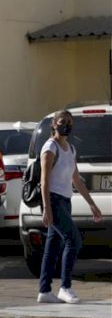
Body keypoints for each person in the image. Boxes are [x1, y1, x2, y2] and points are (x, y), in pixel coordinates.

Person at [37, 110, 103, 304]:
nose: (66, 125)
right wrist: (47, 209)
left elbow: (77, 180)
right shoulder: (50, 147)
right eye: (62, 121)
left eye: (69, 122)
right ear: (54, 124)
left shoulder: (70, 149)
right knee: (73, 240)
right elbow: (44, 181)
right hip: (54, 200)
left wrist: (92, 204)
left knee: (53, 246)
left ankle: (44, 291)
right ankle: (65, 287)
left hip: (65, 201)